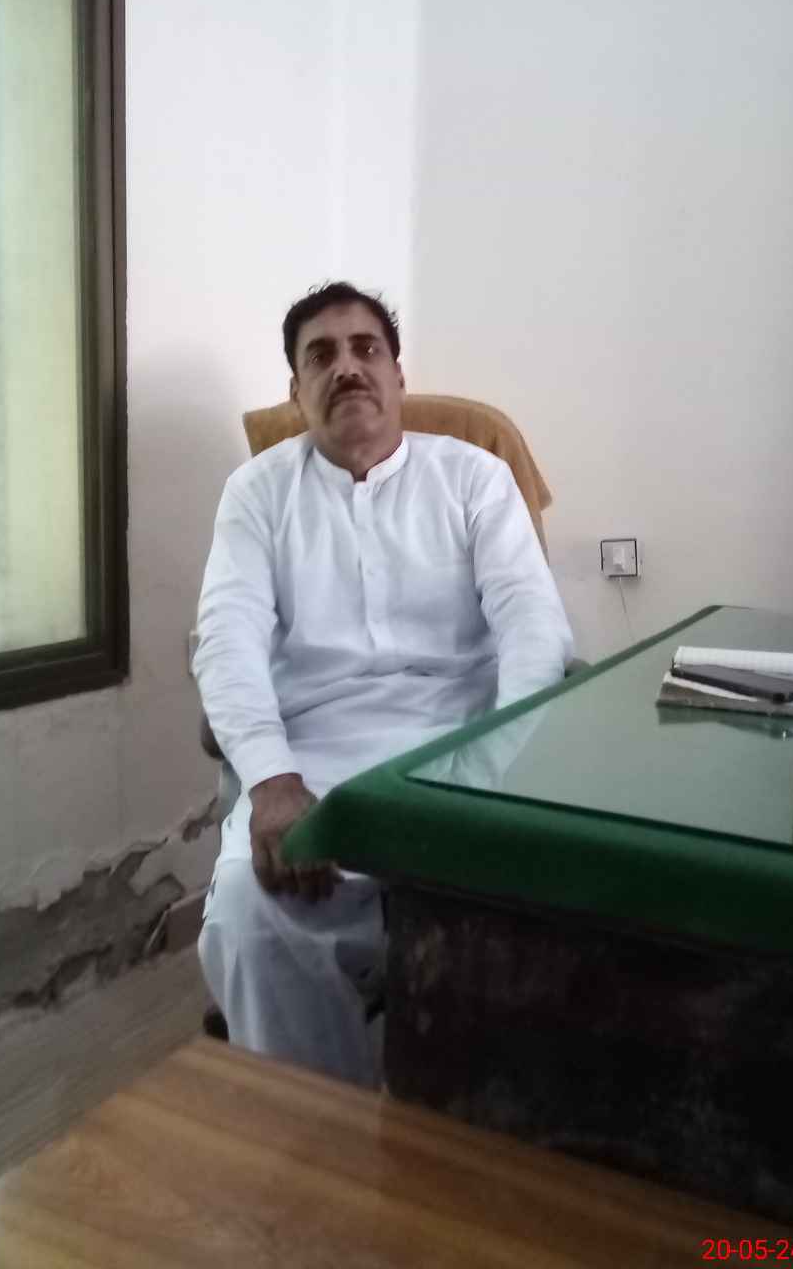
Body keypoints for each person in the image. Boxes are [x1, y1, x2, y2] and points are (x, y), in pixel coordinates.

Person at [194, 281, 573, 1087]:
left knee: (547, 931)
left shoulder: (474, 477)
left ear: (398, 376)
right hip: (314, 762)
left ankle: (460, 1134)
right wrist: (270, 781)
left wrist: (503, 769)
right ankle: (319, 1135)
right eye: (321, 356)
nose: (347, 368)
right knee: (250, 918)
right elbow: (225, 641)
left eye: (366, 349)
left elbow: (533, 626)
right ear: (296, 391)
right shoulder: (256, 493)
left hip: (464, 747)